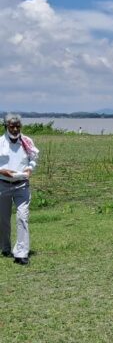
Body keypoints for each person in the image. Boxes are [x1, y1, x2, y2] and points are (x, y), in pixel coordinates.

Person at [0, 113, 39, 265]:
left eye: (18, 126)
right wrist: (2, 171)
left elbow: (34, 158)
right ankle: (5, 247)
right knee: (3, 220)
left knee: (22, 217)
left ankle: (21, 253)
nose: (15, 129)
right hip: (3, 184)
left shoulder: (27, 141)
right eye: (12, 126)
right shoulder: (1, 142)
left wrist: (30, 169)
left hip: (22, 184)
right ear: (6, 126)